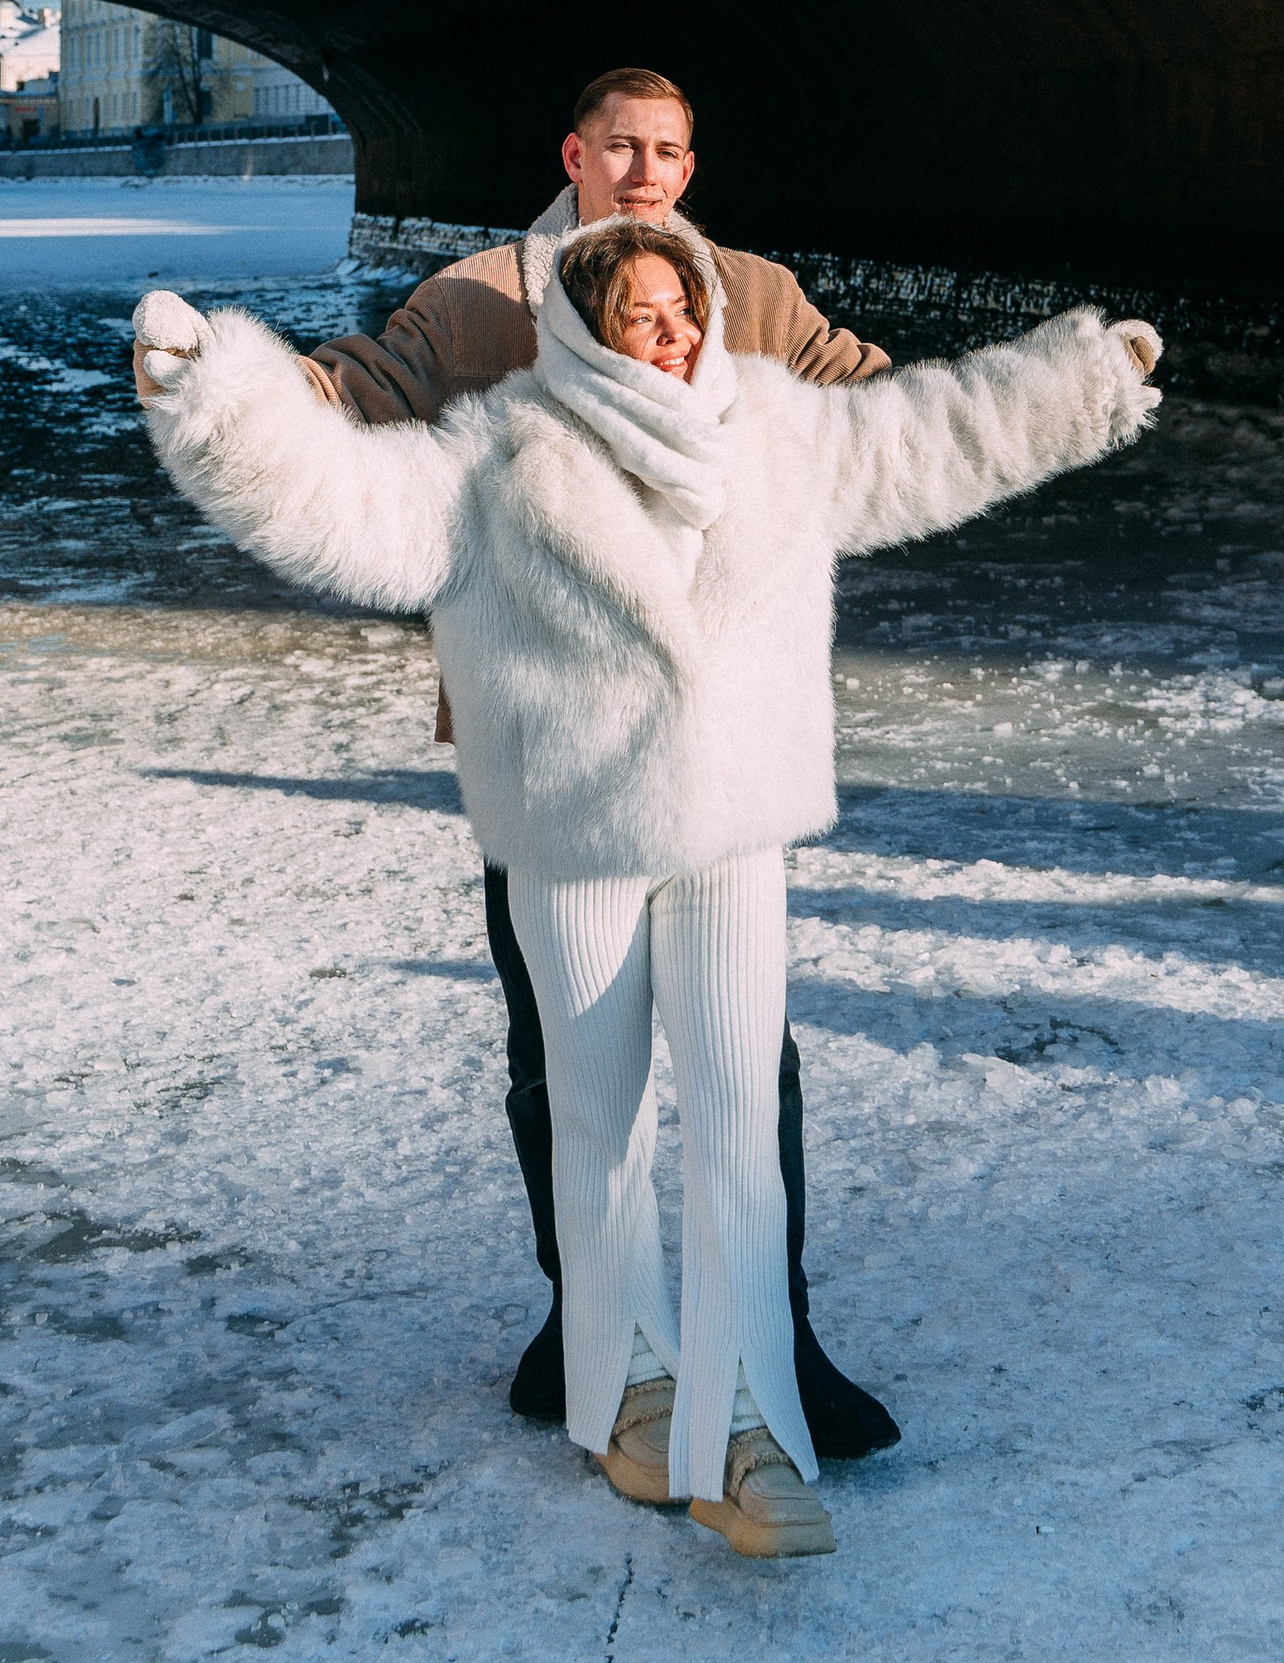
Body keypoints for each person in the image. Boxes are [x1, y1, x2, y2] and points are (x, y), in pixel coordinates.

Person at [133, 211, 1161, 1556]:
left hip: (735, 828)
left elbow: (931, 434)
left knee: (740, 1114)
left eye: (685, 308)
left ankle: (752, 1432)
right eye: (640, 313)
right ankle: (627, 1398)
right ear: (583, 326)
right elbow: (340, 499)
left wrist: (1081, 383)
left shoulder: (782, 434)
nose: (670, 331)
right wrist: (215, 390)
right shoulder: (506, 459)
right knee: (600, 1121)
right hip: (577, 833)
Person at [296, 71, 902, 1455]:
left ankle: (781, 1339)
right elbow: (368, 391)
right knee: (557, 1049)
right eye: (620, 145)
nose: (644, 170)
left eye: (669, 149)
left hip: (710, 730)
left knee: (752, 1055)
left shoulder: (748, 290)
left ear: (692, 163)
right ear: (573, 151)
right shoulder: (472, 302)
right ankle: (588, 1318)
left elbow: (866, 400)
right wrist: (270, 390)